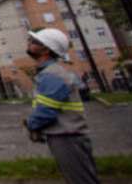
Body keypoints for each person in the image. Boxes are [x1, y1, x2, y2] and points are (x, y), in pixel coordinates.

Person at [23, 28, 99, 184]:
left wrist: (31, 124)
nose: (29, 43)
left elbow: (47, 110)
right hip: (66, 135)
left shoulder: (52, 75)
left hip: (67, 137)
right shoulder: (51, 73)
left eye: (34, 41)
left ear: (46, 49)